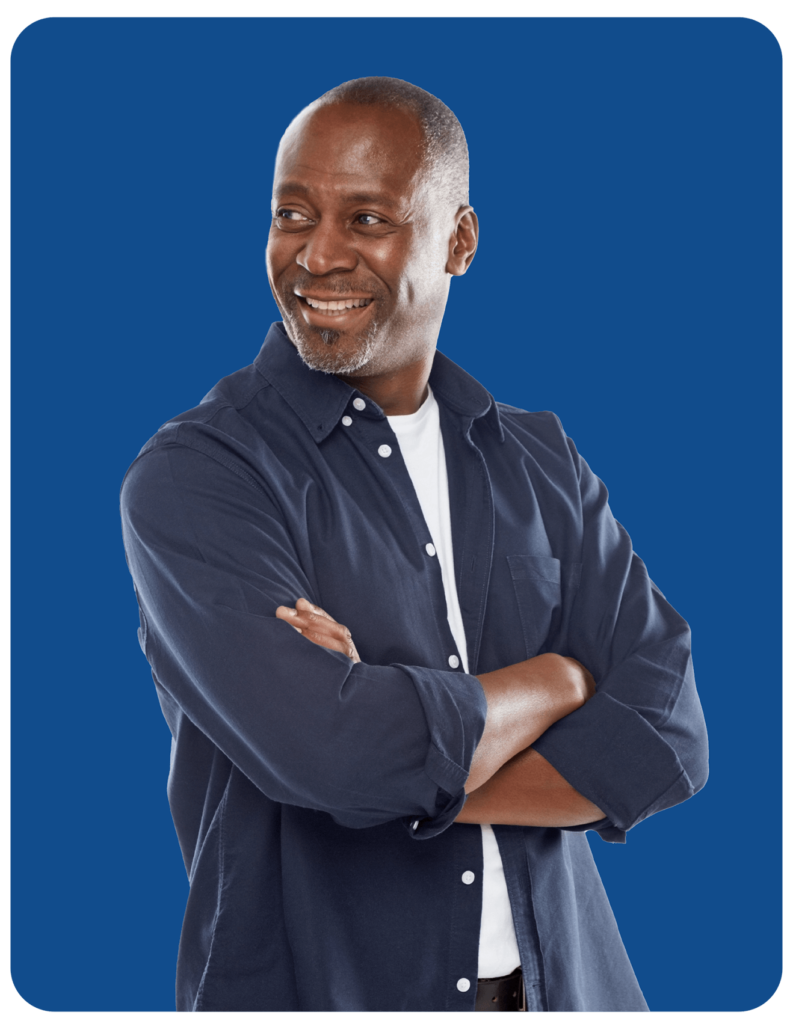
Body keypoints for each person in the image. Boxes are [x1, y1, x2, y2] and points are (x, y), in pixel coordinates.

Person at [120, 76, 708, 1014]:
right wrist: (557, 682)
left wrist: (400, 764)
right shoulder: (201, 476)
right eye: (292, 214)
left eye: (367, 219)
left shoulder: (537, 459)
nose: (317, 254)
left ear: (458, 241)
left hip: (564, 991)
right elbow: (339, 757)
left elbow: (668, 738)